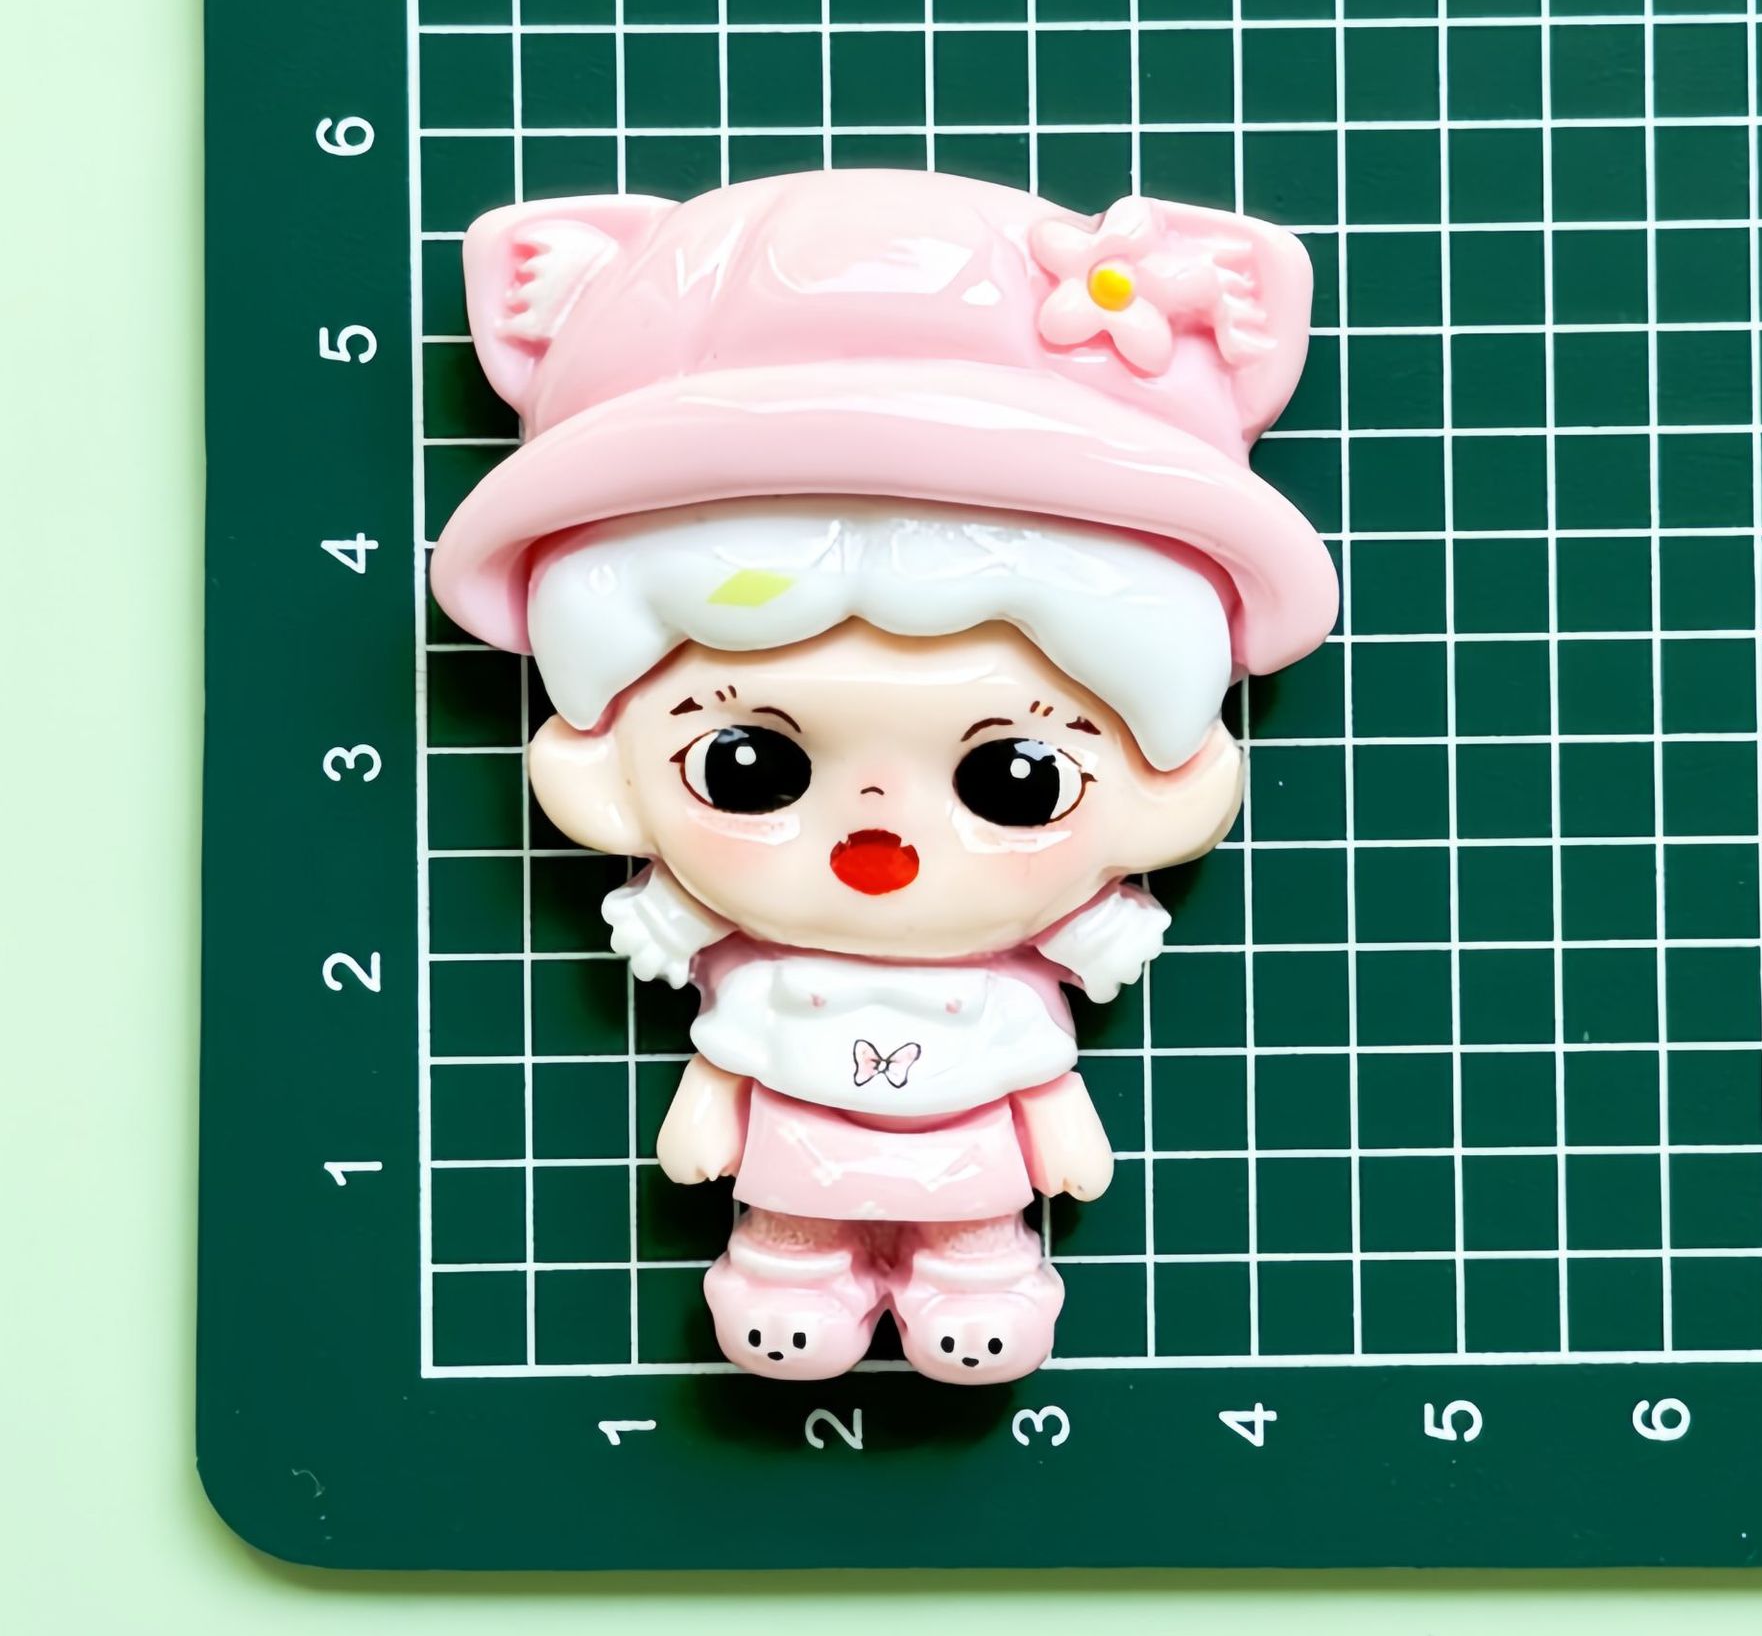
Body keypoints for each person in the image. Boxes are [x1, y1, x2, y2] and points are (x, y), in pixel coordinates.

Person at [429, 171, 1337, 1384]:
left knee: (971, 1219)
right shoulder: (749, 963)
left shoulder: (1018, 970)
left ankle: (979, 1266)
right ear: (615, 770)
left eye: (1015, 780)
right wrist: (706, 1107)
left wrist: (1057, 1122)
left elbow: (1042, 1071)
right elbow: (727, 1060)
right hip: (795, 1138)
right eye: (748, 767)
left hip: (972, 1143)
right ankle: (786, 1265)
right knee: (792, 1215)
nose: (880, 841)